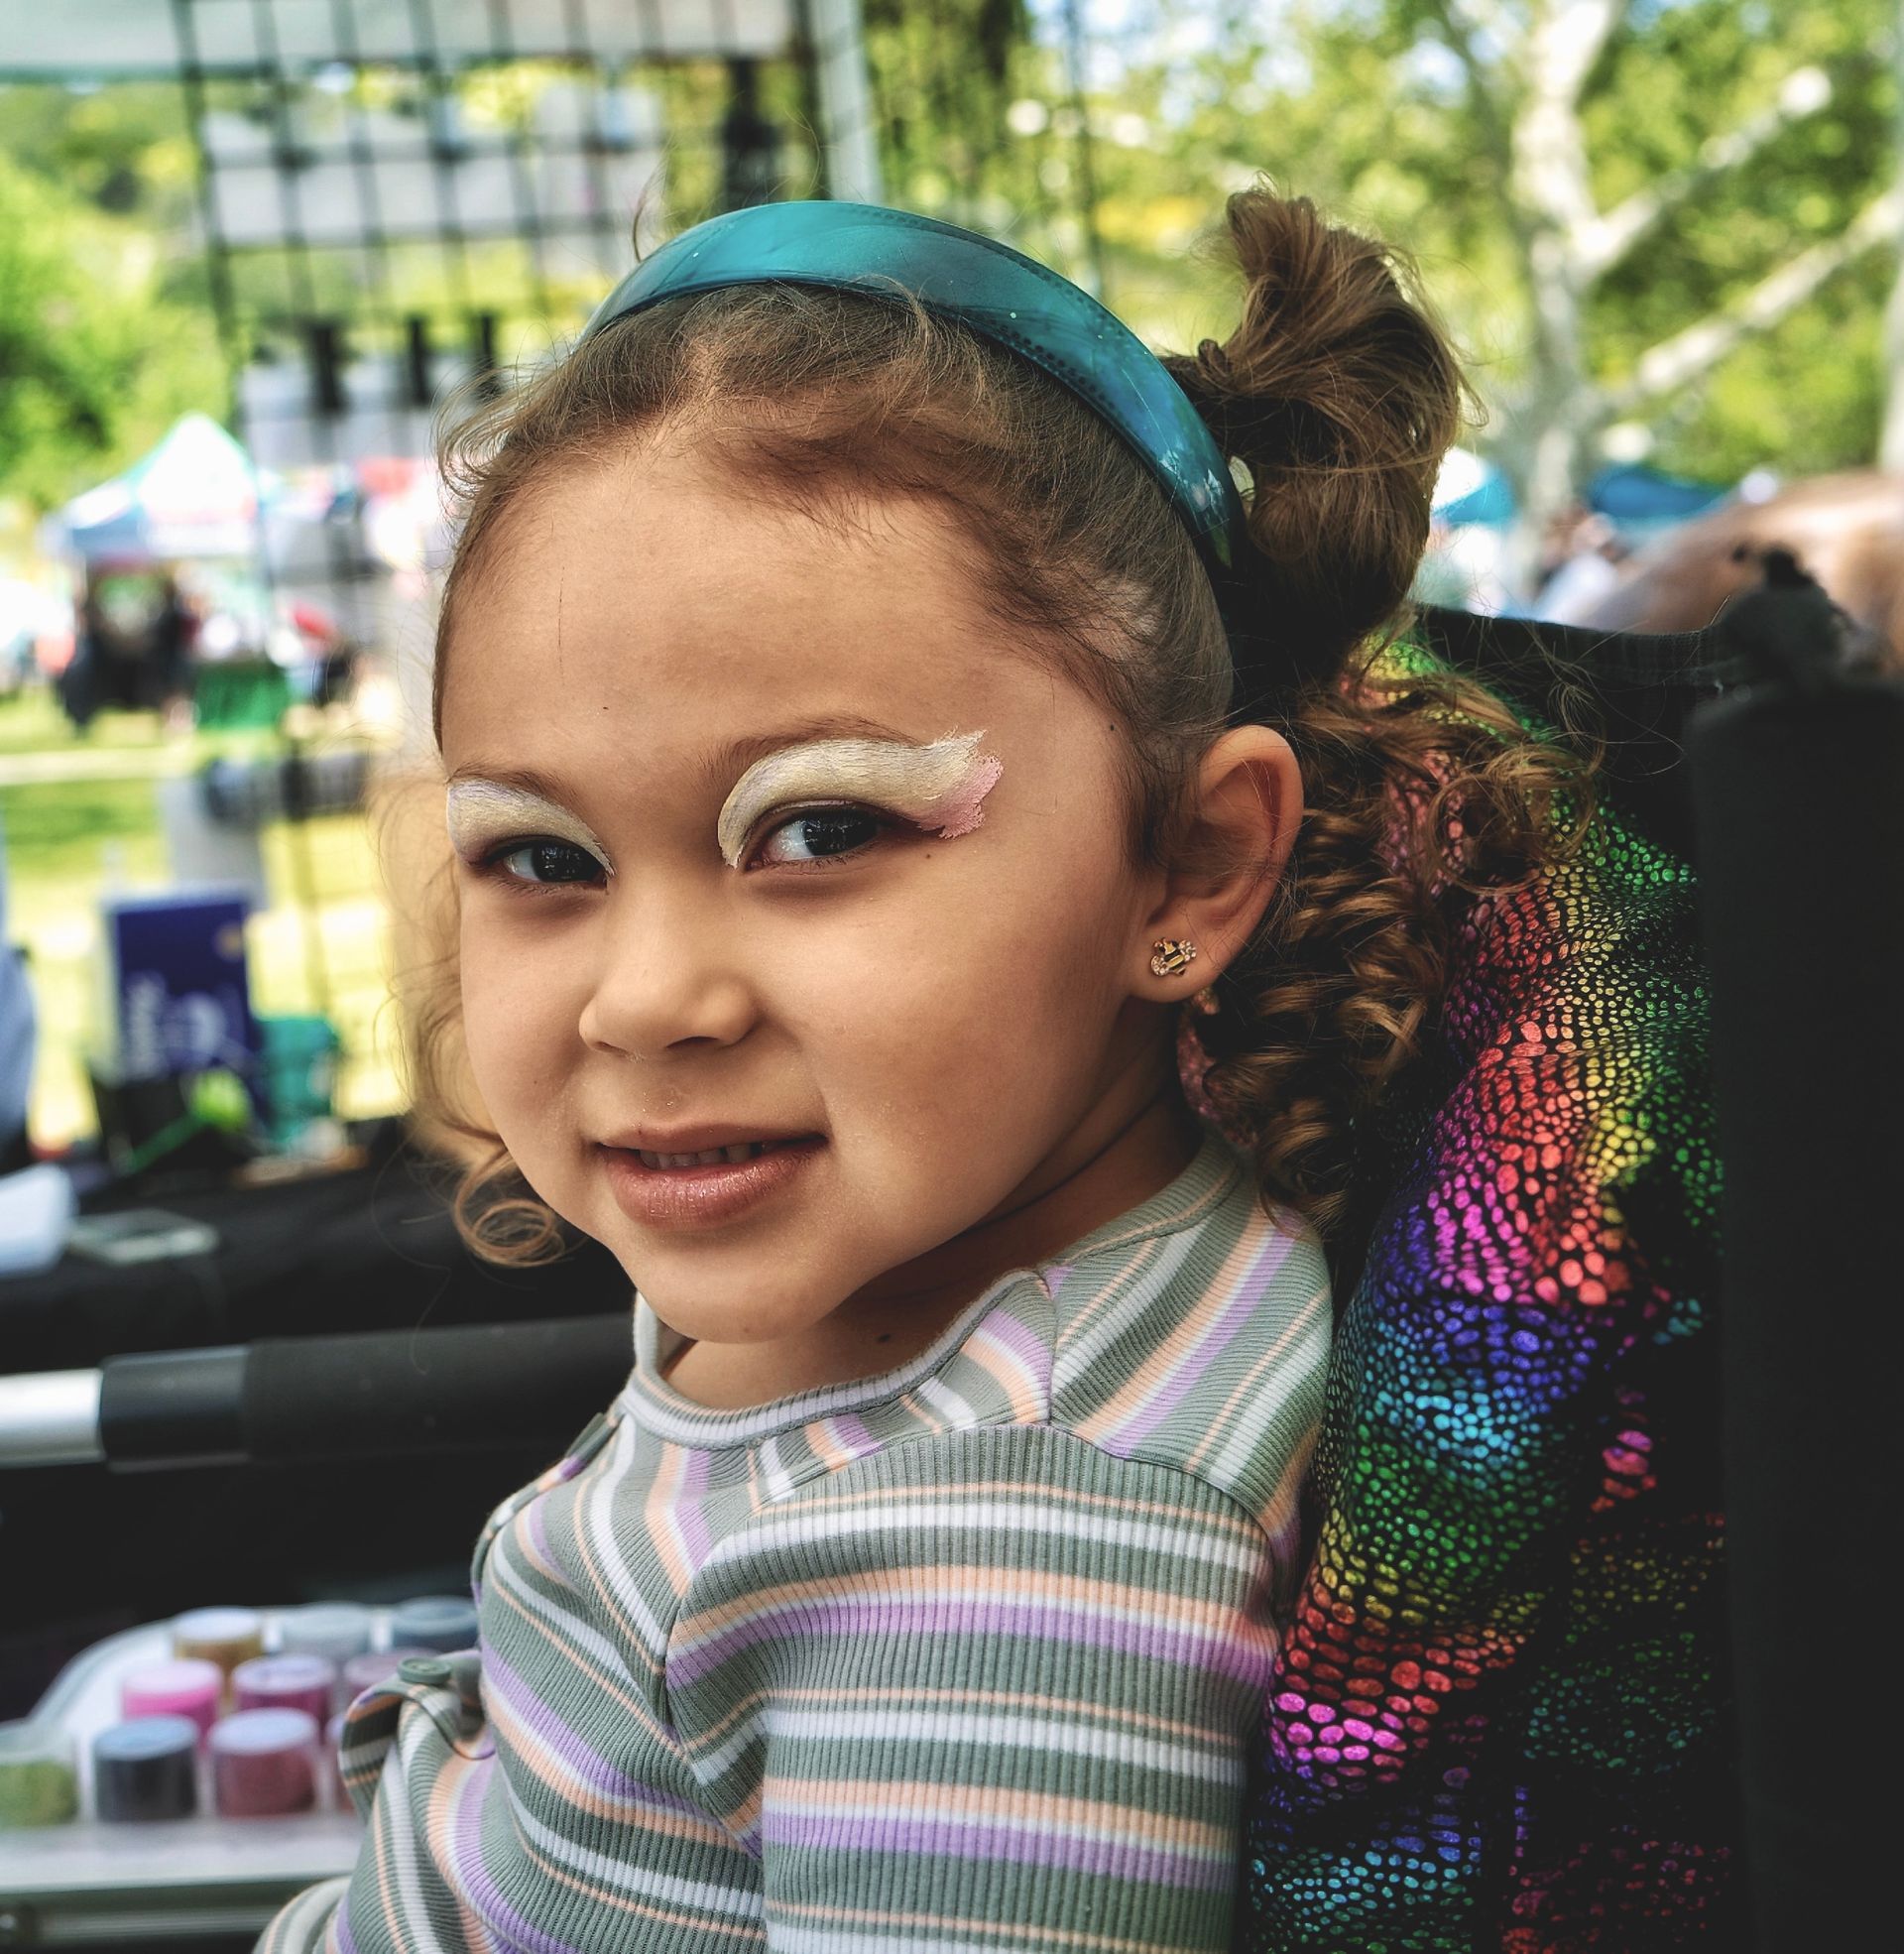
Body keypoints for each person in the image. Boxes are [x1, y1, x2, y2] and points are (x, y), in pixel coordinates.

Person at [257, 189, 1635, 1954]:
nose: (646, 997)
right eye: (542, 857)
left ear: (1195, 867)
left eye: (822, 825)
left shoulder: (1000, 1551)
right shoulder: (936, 1248)